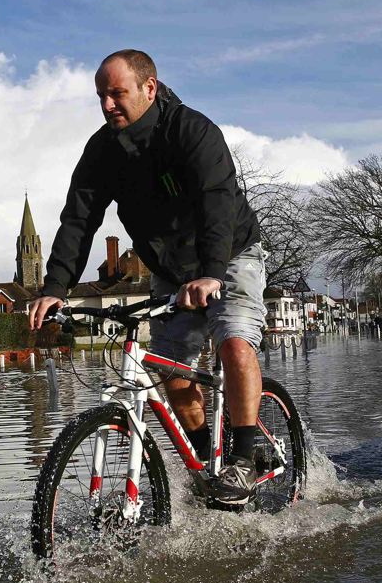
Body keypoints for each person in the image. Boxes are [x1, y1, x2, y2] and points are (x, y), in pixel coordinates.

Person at [28, 50, 266, 505]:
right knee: (171, 372)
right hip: (170, 272)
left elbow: (217, 202)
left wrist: (213, 273)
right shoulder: (102, 152)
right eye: (101, 96)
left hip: (230, 255)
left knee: (234, 341)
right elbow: (79, 221)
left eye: (117, 93)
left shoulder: (193, 132)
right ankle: (206, 466)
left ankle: (243, 458)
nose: (108, 105)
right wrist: (54, 289)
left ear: (149, 88)